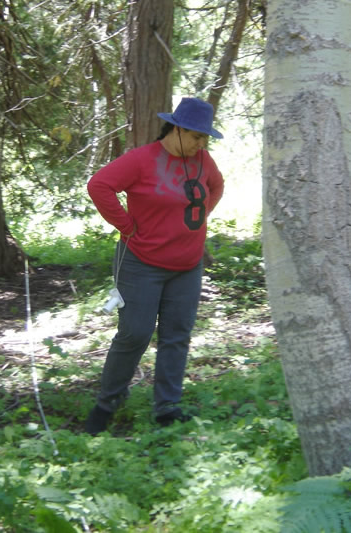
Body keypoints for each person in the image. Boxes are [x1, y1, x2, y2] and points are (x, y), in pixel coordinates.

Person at [84, 97, 225, 434]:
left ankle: (167, 406)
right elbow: (99, 186)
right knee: (135, 332)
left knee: (177, 335)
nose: (201, 145)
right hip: (141, 263)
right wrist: (126, 225)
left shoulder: (204, 161)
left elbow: (215, 187)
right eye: (196, 137)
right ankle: (108, 402)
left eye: (205, 139)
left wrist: (198, 220)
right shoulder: (142, 160)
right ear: (177, 129)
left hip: (187, 266)